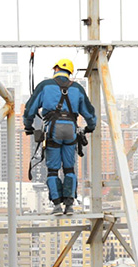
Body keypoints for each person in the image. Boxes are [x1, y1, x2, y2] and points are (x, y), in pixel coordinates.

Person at [23, 59, 97, 215]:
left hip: (53, 130)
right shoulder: (77, 88)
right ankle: (69, 205)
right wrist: (90, 127)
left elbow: (30, 108)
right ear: (69, 72)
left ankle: (57, 205)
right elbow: (89, 112)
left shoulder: (45, 85)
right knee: (69, 168)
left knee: (53, 170)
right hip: (71, 129)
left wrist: (28, 126)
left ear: (56, 68)